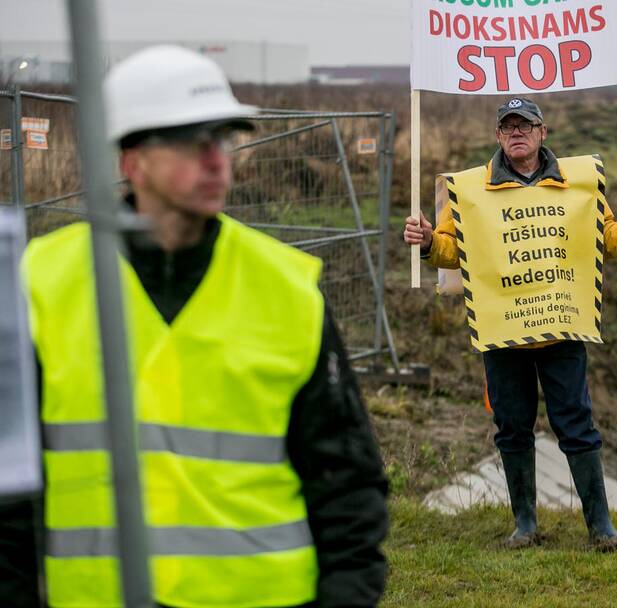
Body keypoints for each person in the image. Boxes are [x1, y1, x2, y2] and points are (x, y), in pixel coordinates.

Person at [0, 45, 389, 608]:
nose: (217, 160)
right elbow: (10, 491)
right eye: (191, 141)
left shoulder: (286, 288)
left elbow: (348, 483)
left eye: (224, 140)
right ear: (131, 160)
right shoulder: (41, 282)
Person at [403, 96, 617, 550]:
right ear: (498, 136)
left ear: (542, 132)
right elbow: (454, 252)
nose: (516, 133)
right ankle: (525, 525)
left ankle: (601, 527)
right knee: (512, 427)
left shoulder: (576, 184)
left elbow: (603, 238)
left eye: (524, 125)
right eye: (508, 126)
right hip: (503, 331)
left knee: (577, 423)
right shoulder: (470, 190)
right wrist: (429, 242)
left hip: (561, 327)